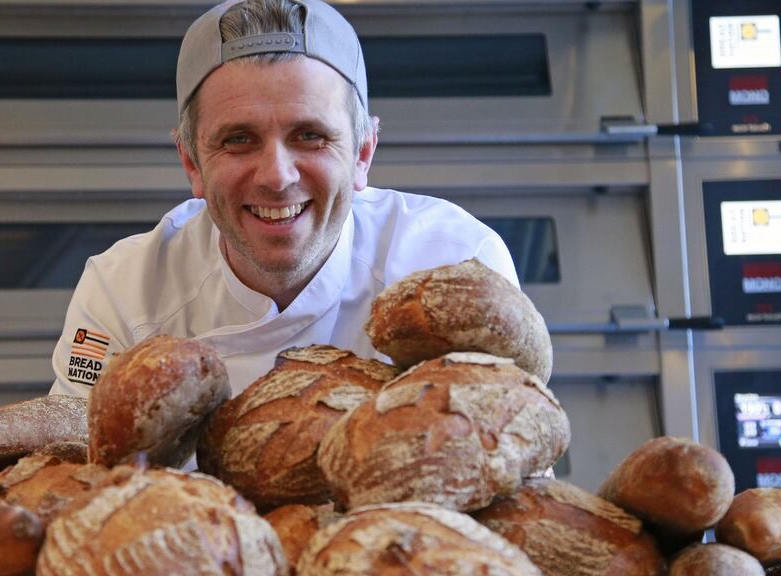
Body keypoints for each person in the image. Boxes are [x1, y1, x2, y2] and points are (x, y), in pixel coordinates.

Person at [51, 0, 517, 398]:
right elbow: (81, 468)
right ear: (191, 162)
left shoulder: (455, 267)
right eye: (238, 139)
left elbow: (509, 475)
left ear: (362, 152)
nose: (277, 177)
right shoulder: (123, 293)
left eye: (309, 135)